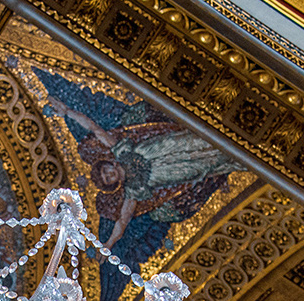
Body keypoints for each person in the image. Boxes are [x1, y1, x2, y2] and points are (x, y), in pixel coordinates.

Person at [46, 95, 240, 249]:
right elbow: (123, 221)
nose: (109, 176)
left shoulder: (121, 150)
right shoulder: (133, 190)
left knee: (199, 140)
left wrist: (68, 112)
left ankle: (232, 132)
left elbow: (95, 129)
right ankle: (237, 156)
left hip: (167, 146)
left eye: (106, 171)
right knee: (208, 164)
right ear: (113, 185)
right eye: (107, 180)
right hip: (175, 171)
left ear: (110, 164)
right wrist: (108, 244)